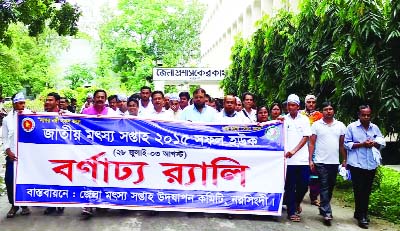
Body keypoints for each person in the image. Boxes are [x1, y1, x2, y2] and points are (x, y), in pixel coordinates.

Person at [344, 105, 385, 229]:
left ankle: (359, 213)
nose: (366, 117)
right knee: (359, 190)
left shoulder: (375, 128)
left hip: (371, 164)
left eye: (368, 115)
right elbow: (346, 144)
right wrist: (362, 144)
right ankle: (362, 216)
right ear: (359, 115)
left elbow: (381, 141)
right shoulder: (351, 127)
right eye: (364, 115)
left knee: (366, 191)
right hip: (357, 164)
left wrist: (375, 143)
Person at [308, 102, 347, 225]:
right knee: (324, 185)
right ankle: (327, 212)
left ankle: (323, 207)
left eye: (330, 109)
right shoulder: (316, 125)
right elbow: (312, 143)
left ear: (333, 111)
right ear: (322, 111)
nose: (328, 111)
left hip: (334, 162)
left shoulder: (340, 125)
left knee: (330, 186)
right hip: (320, 161)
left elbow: (341, 145)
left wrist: (345, 159)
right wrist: (310, 160)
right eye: (326, 109)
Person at [2, 92, 32, 218]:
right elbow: (5, 138)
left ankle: (24, 205)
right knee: (10, 180)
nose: (23, 105)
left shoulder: (30, 115)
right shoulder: (7, 119)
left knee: (25, 179)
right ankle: (14, 205)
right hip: (13, 155)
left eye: (24, 103)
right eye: (20, 103)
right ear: (14, 103)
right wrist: (8, 151)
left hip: (28, 156)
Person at [284, 94, 312, 222]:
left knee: (303, 185)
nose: (291, 107)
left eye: (293, 105)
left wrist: (294, 150)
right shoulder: (284, 120)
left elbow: (306, 137)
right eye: (289, 105)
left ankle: (296, 202)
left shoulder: (304, 119)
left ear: (298, 106)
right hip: (288, 160)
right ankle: (291, 211)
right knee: (289, 186)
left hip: (302, 159)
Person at [42, 92, 66, 215]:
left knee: (60, 177)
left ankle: (60, 203)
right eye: (47, 100)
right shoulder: (41, 116)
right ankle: (50, 204)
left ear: (57, 102)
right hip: (47, 153)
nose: (47, 102)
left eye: (50, 100)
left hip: (61, 153)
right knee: (48, 178)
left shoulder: (65, 115)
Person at [300, 94, 323, 207]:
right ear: (305, 103)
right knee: (302, 172)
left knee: (315, 173)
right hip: (301, 146)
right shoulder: (300, 114)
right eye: (309, 102)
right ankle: (298, 195)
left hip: (315, 147)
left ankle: (314, 197)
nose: (311, 104)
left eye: (313, 102)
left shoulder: (320, 116)